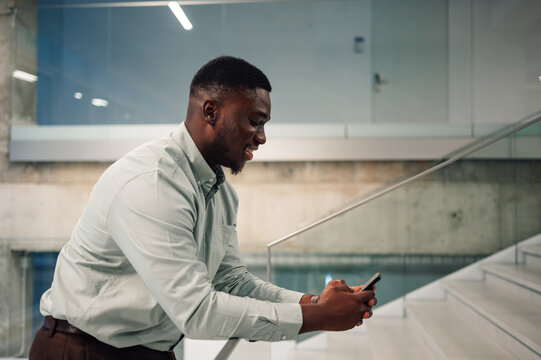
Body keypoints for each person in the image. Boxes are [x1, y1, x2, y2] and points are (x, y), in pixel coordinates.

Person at [29, 56, 376, 359]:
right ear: (211, 111)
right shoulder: (153, 182)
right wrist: (319, 318)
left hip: (147, 352)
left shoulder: (221, 193)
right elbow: (196, 311)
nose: (262, 137)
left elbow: (232, 282)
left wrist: (315, 303)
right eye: (254, 121)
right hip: (80, 351)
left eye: (264, 124)